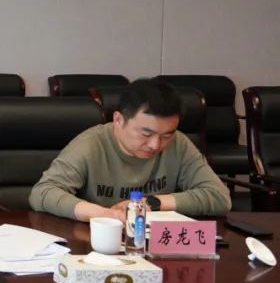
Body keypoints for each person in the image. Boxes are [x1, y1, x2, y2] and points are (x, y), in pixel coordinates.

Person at [29, 78, 231, 221]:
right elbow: (43, 192)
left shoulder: (179, 144)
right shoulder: (90, 144)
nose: (155, 145)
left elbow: (219, 197)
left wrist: (151, 203)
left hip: (152, 245)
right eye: (146, 133)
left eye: (166, 135)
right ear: (118, 120)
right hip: (97, 244)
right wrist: (104, 214)